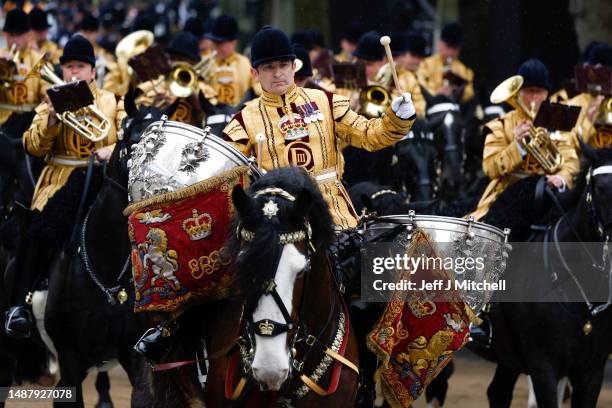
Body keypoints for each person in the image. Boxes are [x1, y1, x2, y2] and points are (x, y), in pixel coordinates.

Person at [223, 26, 416, 229]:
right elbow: (229, 180)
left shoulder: (326, 101)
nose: (278, 73)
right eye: (269, 67)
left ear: (294, 66)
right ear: (254, 72)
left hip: (335, 214)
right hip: (278, 221)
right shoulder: (243, 120)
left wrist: (397, 118)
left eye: (283, 65)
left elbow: (369, 135)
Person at [4, 35, 126, 339]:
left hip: (101, 178)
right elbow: (31, 146)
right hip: (58, 178)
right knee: (37, 234)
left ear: (93, 71)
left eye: (80, 67)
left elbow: (125, 136)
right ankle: (19, 306)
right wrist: (53, 120)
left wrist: (113, 149)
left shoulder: (112, 101)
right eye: (69, 67)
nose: (74, 73)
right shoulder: (51, 102)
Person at [469, 59, 580, 221]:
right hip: (506, 196)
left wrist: (561, 178)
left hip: (548, 195)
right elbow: (490, 169)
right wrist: (517, 146)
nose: (533, 98)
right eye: (528, 91)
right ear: (519, 92)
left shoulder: (558, 123)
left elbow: (572, 162)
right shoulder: (500, 125)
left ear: (547, 94)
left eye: (538, 91)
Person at [135, 32, 217, 125]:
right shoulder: (151, 87)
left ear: (194, 63)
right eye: (173, 58)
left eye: (182, 59)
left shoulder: (206, 91)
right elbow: (137, 122)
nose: (176, 63)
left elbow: (214, 124)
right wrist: (153, 109)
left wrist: (197, 104)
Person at [0, 8, 46, 126]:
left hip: (29, 123)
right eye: (11, 35)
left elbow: (46, 92)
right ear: (5, 34)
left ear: (29, 34)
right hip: (2, 122)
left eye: (19, 35)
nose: (15, 40)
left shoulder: (38, 59)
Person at [204, 14, 258, 106]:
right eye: (216, 42)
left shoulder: (245, 63)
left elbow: (257, 91)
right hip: (210, 117)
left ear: (234, 42)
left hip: (241, 117)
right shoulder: (206, 62)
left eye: (222, 43)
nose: (218, 47)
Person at [417, 22, 474, 102]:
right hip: (431, 107)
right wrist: (436, 93)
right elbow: (419, 85)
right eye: (448, 47)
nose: (450, 51)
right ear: (439, 44)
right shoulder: (426, 64)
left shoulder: (464, 71)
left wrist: (456, 90)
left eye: (454, 48)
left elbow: (469, 93)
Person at [377, 31, 427, 117]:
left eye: (397, 57)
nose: (393, 61)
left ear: (404, 56)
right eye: (390, 57)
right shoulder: (377, 75)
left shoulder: (409, 78)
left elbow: (420, 107)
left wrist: (408, 110)